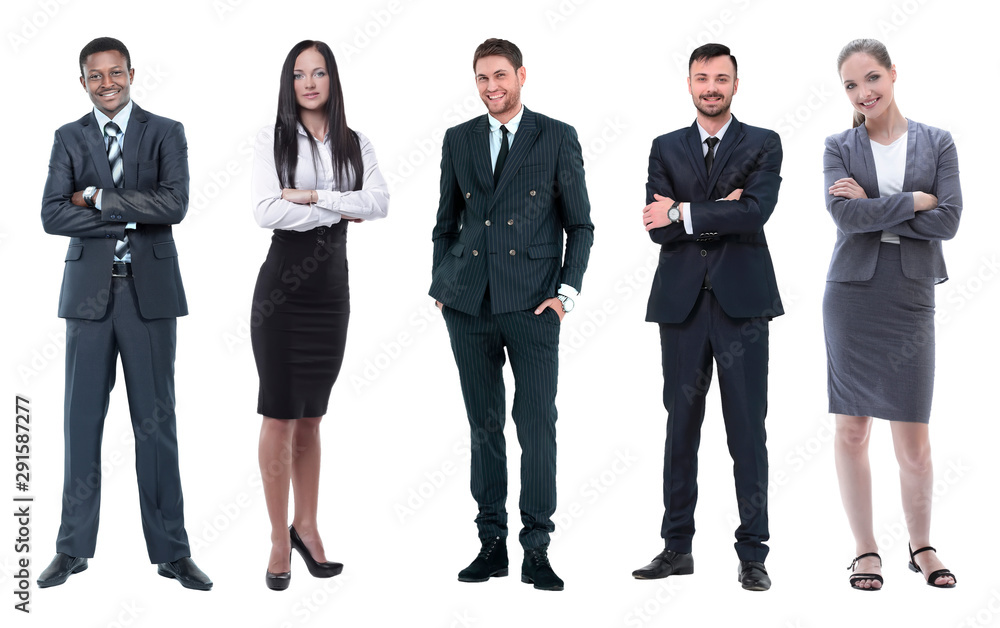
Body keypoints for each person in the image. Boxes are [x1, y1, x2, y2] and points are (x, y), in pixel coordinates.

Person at [38, 37, 211, 591]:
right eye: (95, 75)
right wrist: (131, 215)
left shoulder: (166, 132)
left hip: (150, 297)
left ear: (132, 73)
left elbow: (176, 204)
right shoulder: (69, 137)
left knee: (155, 427)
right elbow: (50, 214)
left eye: (116, 73)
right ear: (83, 81)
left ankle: (172, 552)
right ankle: (72, 549)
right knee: (80, 424)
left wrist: (97, 198)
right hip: (88, 300)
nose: (107, 83)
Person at [430, 38, 594, 592]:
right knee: (483, 427)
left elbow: (581, 225)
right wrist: (443, 284)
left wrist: (565, 294)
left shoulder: (557, 136)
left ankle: (537, 547)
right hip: (469, 305)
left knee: (536, 424)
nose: (490, 87)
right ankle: (491, 543)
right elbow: (444, 222)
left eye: (499, 75)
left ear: (521, 74)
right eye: (481, 78)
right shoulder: (459, 139)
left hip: (533, 304)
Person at [633, 43, 783, 591]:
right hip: (682, 304)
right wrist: (714, 212)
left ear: (736, 84)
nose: (711, 86)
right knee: (681, 429)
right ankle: (676, 547)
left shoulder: (764, 142)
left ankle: (753, 552)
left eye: (722, 77)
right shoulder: (664, 147)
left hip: (743, 303)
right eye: (702, 78)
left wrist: (684, 211)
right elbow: (658, 228)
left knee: (747, 431)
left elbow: (757, 211)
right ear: (689, 84)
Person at [251, 39, 388, 591]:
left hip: (332, 295)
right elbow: (265, 211)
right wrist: (338, 203)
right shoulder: (272, 140)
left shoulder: (357, 142)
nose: (310, 82)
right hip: (281, 297)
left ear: (333, 79)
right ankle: (277, 539)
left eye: (320, 72)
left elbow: (378, 203)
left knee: (311, 417)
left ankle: (306, 526)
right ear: (290, 83)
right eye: (300, 74)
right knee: (279, 414)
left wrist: (309, 197)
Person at [823, 38, 960, 591]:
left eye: (872, 78)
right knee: (852, 430)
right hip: (852, 295)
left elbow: (949, 221)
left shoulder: (938, 142)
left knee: (914, 440)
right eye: (852, 85)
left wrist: (877, 208)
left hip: (909, 296)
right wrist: (915, 201)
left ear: (893, 74)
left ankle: (921, 545)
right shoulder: (839, 145)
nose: (864, 92)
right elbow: (843, 215)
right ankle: (864, 549)